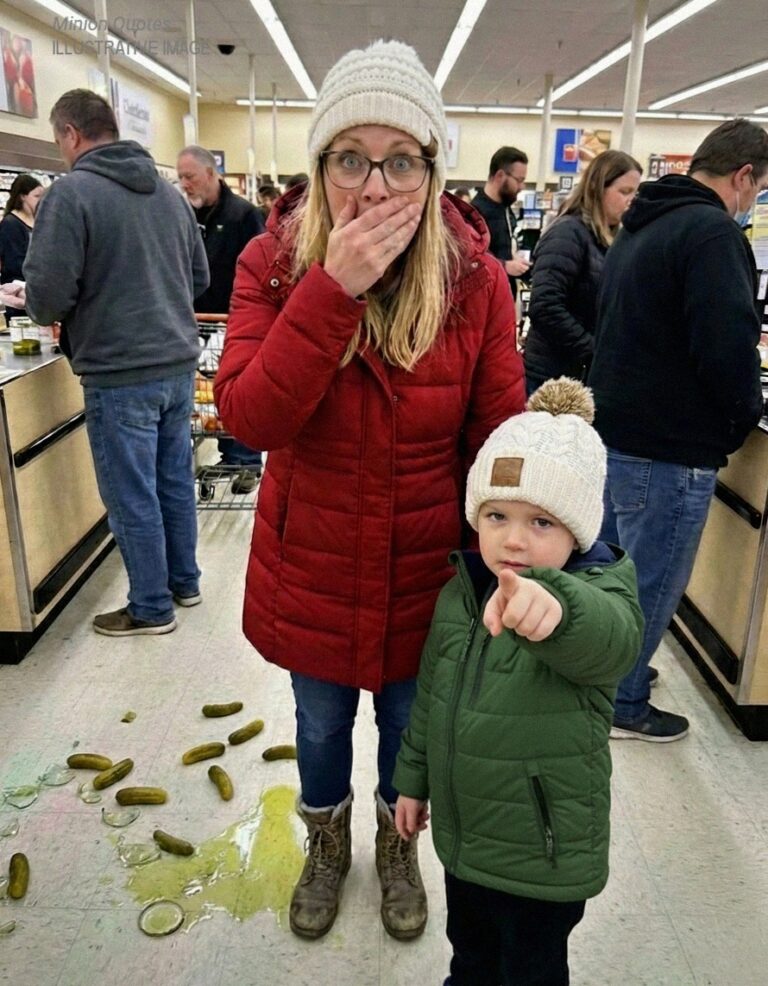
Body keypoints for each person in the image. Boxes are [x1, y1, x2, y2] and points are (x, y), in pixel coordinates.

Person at [214, 39, 525, 942]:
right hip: (312, 564)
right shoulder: (271, 267)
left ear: (432, 172)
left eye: (399, 161)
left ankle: (398, 849)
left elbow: (494, 446)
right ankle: (324, 841)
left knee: (406, 734)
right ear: (320, 169)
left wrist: (514, 560)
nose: (375, 187)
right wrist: (329, 291)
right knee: (317, 729)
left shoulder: (479, 286)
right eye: (350, 158)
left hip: (424, 573)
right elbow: (248, 417)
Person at [394, 377, 643, 986]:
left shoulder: (598, 590)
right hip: (465, 840)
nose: (513, 538)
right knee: (471, 957)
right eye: (497, 515)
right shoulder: (462, 589)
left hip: (542, 852)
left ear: (577, 532)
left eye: (541, 523)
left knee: (531, 970)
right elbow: (432, 697)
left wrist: (557, 610)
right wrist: (413, 779)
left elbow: (612, 643)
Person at [589, 118, 768, 741]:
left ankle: (605, 675)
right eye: (759, 191)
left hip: (618, 432)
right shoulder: (713, 233)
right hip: (669, 444)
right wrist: (739, 418)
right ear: (743, 177)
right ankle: (624, 702)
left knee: (612, 572)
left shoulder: (643, 223)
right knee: (651, 581)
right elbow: (727, 346)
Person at [22, 89, 209, 636]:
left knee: (131, 493)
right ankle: (185, 582)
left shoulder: (71, 195)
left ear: (70, 135)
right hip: (177, 365)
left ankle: (151, 608)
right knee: (173, 479)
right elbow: (198, 279)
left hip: (119, 370)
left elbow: (48, 296)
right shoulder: (171, 196)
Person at [176, 145, 265, 492]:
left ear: (211, 173)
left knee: (239, 390)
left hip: (233, 319)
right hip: (195, 320)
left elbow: (260, 265)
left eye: (191, 177)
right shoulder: (185, 214)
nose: (185, 184)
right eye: (181, 178)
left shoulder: (243, 214)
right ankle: (232, 455)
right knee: (208, 396)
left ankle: (246, 459)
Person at [524, 150, 642, 393]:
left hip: (579, 374)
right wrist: (594, 349)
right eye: (624, 192)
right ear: (598, 188)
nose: (631, 200)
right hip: (552, 376)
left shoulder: (610, 238)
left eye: (635, 193)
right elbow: (545, 305)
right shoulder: (568, 233)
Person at [472, 146, 530, 298]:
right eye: (519, 180)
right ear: (500, 176)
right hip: (484, 300)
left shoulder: (505, 209)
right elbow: (469, 261)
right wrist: (505, 266)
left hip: (504, 298)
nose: (522, 187)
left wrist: (513, 258)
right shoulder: (475, 214)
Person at [0, 173, 43, 319]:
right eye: (36, 196)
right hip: (18, 293)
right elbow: (15, 262)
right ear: (22, 196)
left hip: (36, 291)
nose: (41, 200)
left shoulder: (37, 221)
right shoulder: (11, 224)